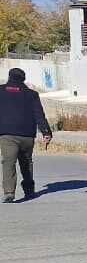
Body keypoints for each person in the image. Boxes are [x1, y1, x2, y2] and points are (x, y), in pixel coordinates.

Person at [0, 68, 53, 203]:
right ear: (23, 79)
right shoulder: (31, 94)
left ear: (9, 77)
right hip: (27, 135)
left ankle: (9, 192)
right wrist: (46, 132)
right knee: (26, 161)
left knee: (8, 161)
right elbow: (39, 114)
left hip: (7, 134)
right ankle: (29, 189)